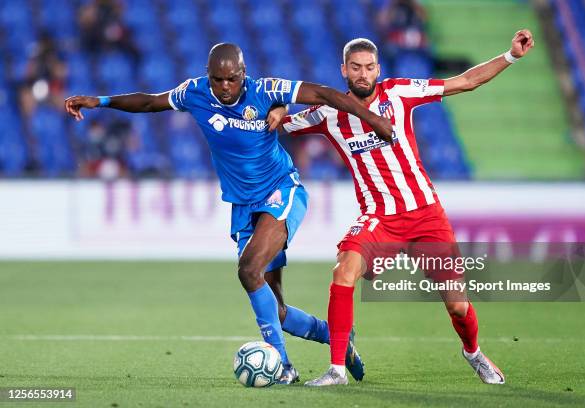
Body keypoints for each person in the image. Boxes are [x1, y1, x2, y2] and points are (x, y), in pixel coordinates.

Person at [65, 43, 393, 384]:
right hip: (243, 205)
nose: (224, 86)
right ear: (209, 76)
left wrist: (374, 120)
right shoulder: (194, 92)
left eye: (232, 79)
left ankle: (282, 365)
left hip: (282, 190)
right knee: (276, 310)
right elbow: (149, 101)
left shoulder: (266, 89)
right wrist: (99, 102)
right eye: (218, 79)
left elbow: (325, 94)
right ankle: (335, 336)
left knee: (248, 270)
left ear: (243, 73)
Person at [270, 30, 535, 386]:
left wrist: (511, 55)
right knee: (343, 271)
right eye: (355, 68)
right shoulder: (329, 114)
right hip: (379, 219)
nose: (363, 74)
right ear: (344, 71)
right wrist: (279, 105)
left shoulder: (399, 92)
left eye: (368, 67)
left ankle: (472, 352)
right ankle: (336, 370)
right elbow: (276, 125)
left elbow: (466, 82)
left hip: (426, 216)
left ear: (378, 69)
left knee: (457, 306)